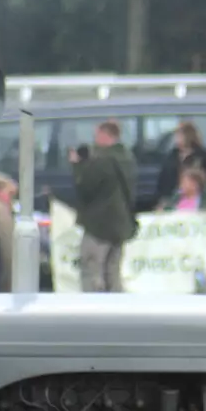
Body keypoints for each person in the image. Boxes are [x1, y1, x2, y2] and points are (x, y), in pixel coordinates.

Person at [71, 119, 138, 292]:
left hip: (99, 226)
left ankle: (93, 311)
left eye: (97, 135)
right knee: (113, 272)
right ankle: (116, 311)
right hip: (120, 225)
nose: (95, 140)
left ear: (105, 135)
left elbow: (85, 187)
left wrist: (78, 165)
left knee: (92, 271)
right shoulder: (127, 158)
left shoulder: (102, 161)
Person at [156, 121, 206, 209]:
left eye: (179, 136)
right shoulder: (172, 156)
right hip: (173, 197)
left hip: (195, 200)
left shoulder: (202, 156)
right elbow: (163, 179)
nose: (176, 139)